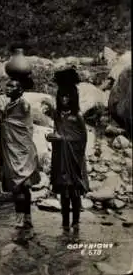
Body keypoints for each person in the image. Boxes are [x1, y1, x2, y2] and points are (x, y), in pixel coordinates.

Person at [45, 68, 90, 233]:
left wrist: (62, 139)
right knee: (63, 192)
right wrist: (52, 137)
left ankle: (76, 222)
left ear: (73, 97)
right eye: (61, 96)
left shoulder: (77, 116)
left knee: (74, 191)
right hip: (60, 158)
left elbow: (82, 139)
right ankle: (65, 223)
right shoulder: (57, 115)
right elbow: (58, 132)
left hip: (74, 159)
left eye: (67, 96)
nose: (64, 99)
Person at [0, 77, 40, 231]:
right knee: (21, 186)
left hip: (21, 151)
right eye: (7, 86)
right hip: (12, 150)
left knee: (19, 186)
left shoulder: (23, 104)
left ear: (20, 90)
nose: (7, 89)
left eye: (12, 86)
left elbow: (24, 126)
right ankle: (26, 219)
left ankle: (21, 219)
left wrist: (5, 123)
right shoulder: (9, 105)